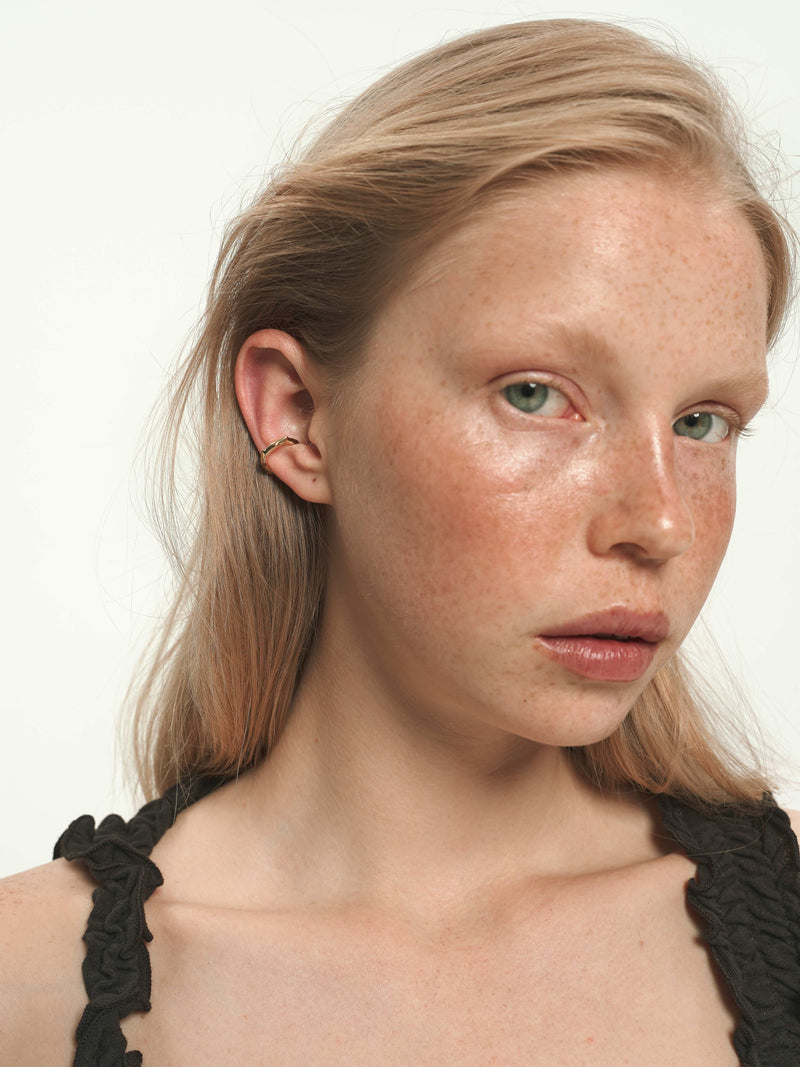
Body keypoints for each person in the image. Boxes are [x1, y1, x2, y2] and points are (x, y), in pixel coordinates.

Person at [1, 16, 798, 1066]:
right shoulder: (24, 989)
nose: (658, 522)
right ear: (296, 415)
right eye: (534, 394)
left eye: (703, 421)